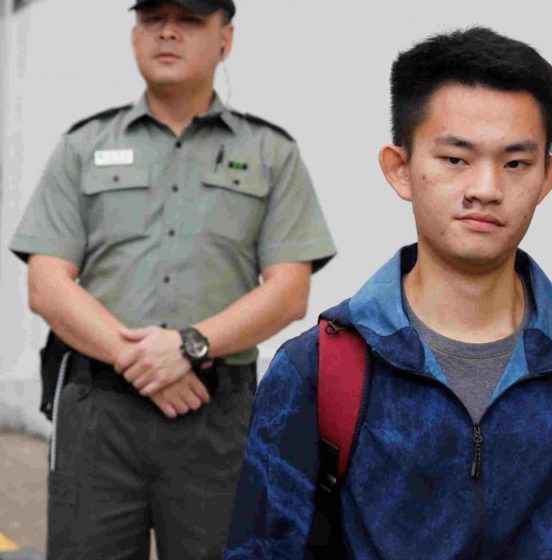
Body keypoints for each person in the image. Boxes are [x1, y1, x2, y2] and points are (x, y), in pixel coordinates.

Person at [223, 27, 552, 559]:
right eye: (456, 159)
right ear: (400, 169)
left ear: (547, 178)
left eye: (515, 163)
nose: (486, 189)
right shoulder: (317, 368)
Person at [9, 0, 337, 557]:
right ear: (134, 36)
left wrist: (189, 346)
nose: (166, 33)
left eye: (188, 20)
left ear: (225, 40)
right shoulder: (83, 146)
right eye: (151, 19)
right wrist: (141, 360)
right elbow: (46, 283)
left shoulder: (270, 152)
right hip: (98, 413)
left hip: (214, 416)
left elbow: (289, 291)